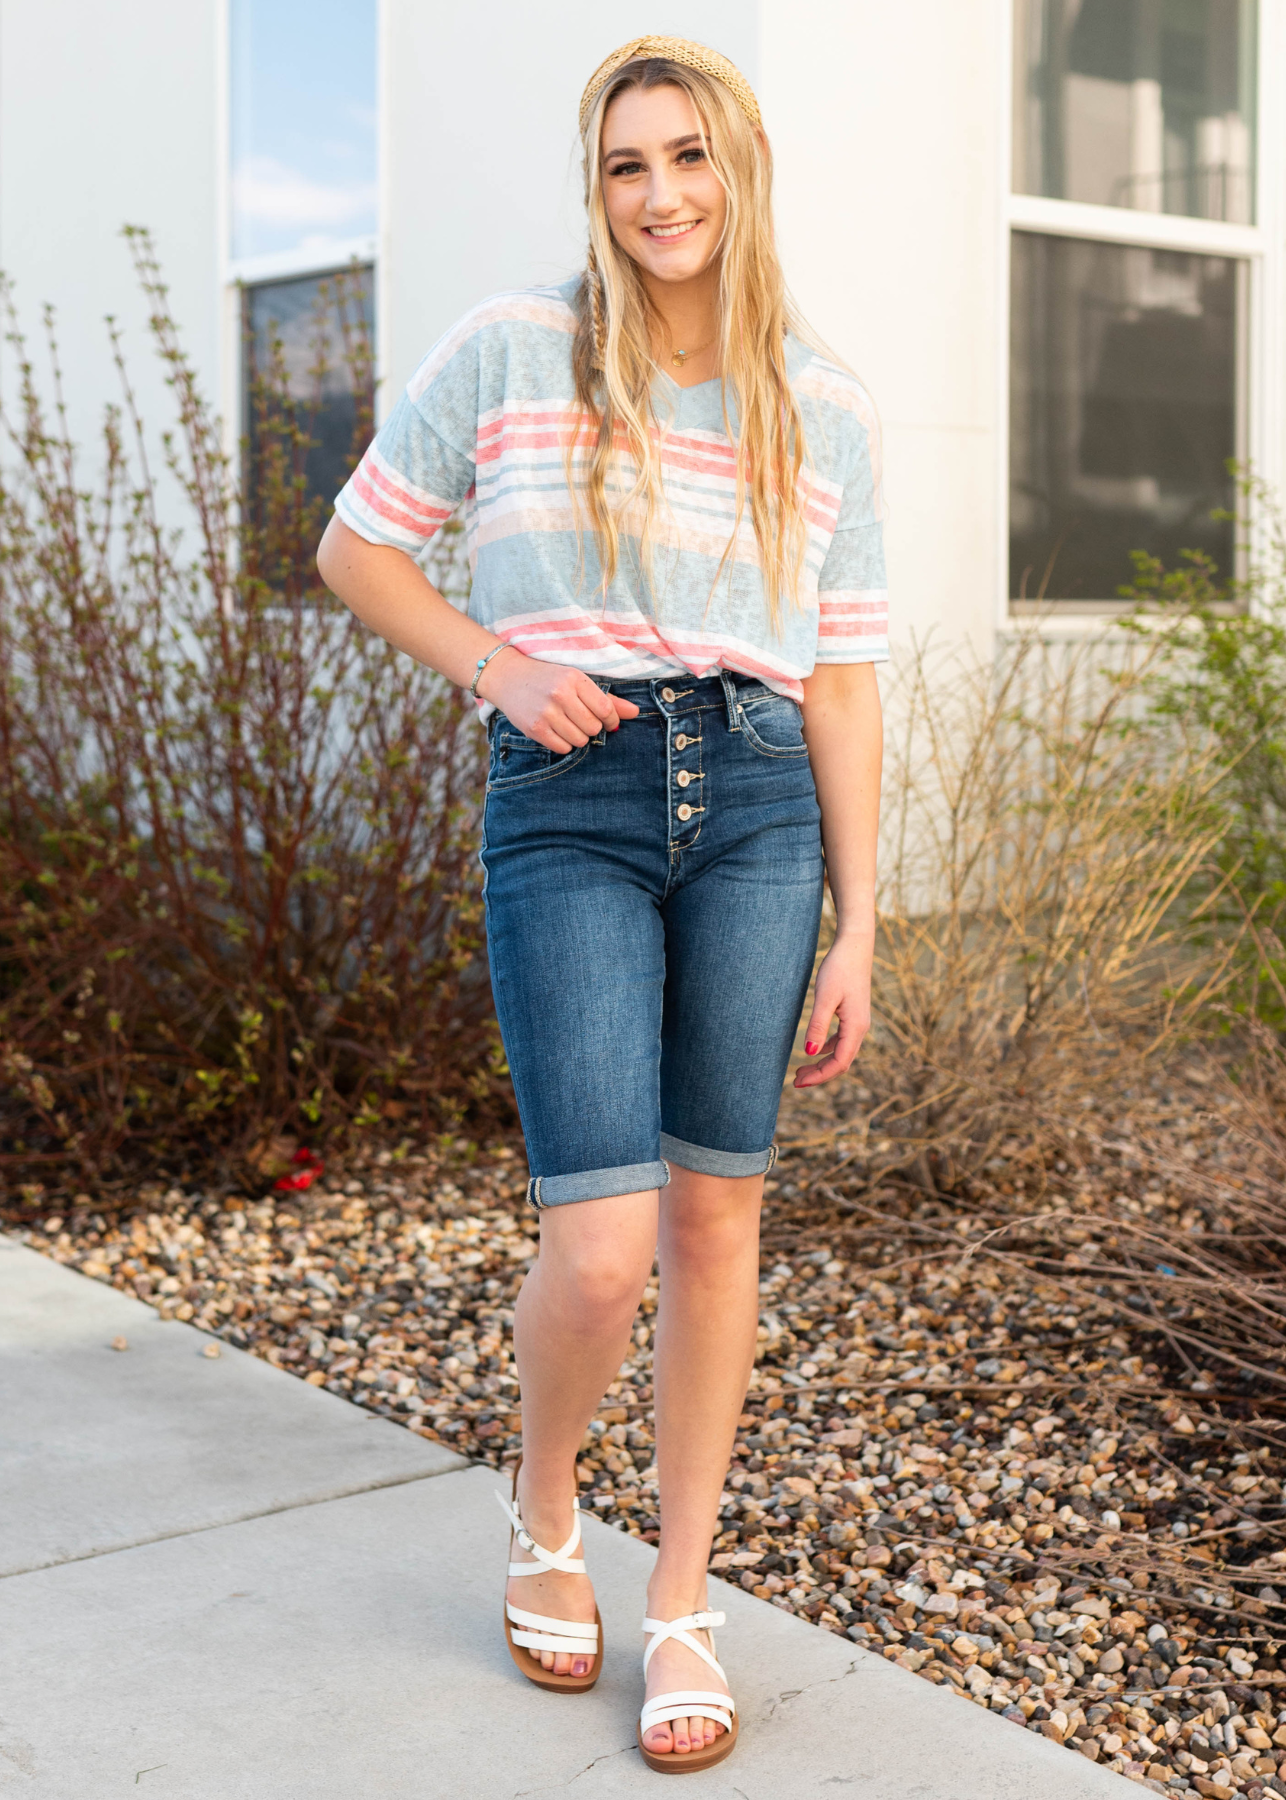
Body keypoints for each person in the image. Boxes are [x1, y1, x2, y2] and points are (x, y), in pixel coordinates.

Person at [317, 33, 886, 1776]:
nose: (660, 197)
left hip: (764, 808)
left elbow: (847, 678)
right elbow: (355, 548)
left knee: (719, 1224)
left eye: (688, 159)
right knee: (601, 1241)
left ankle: (685, 1594)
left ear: (744, 167)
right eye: (628, 164)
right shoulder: (510, 349)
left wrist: (864, 920)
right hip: (567, 802)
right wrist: (497, 667)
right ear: (597, 184)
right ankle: (546, 1505)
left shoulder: (822, 401)